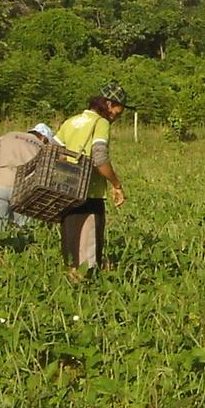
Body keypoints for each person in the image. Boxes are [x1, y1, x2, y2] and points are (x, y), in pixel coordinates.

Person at [55, 84, 129, 279]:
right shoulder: (100, 123)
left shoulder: (70, 122)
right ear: (108, 104)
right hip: (89, 194)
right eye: (116, 111)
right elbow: (100, 158)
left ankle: (71, 282)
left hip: (67, 191)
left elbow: (53, 153)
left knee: (71, 246)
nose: (115, 117)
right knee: (87, 251)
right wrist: (116, 184)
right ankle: (85, 287)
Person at [0, 122, 55, 241]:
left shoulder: (9, 136)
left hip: (0, 183)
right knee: (22, 229)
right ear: (45, 138)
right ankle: (20, 249)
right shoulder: (42, 147)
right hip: (25, 189)